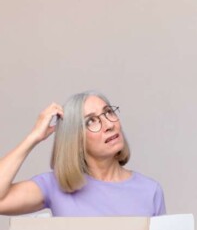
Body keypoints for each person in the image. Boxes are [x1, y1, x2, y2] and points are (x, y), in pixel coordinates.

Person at [0, 91, 165, 217]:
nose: (108, 124)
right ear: (75, 140)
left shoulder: (149, 190)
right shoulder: (54, 186)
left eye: (108, 112)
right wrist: (33, 138)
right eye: (91, 121)